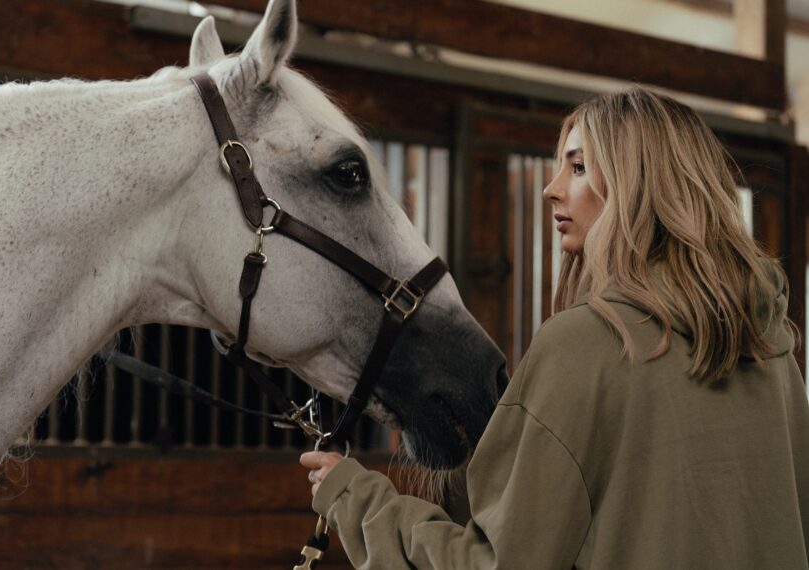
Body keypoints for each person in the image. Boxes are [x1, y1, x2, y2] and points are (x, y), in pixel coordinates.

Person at [300, 87, 809, 569]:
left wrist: (355, 497)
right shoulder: (771, 347)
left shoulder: (586, 344)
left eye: (580, 167)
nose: (551, 189)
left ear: (640, 186)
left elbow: (497, 562)